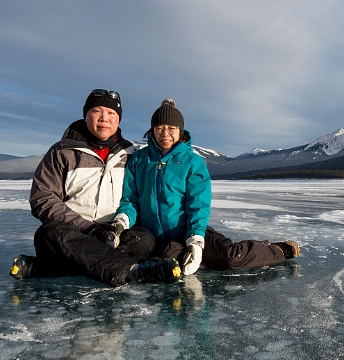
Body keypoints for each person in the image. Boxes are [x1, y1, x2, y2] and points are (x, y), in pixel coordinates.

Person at [9, 89, 182, 286]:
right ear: (86, 115)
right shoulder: (62, 152)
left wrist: (117, 227)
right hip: (73, 232)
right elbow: (43, 199)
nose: (104, 119)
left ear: (118, 119)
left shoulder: (131, 154)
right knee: (49, 235)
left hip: (114, 233)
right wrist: (89, 228)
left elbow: (136, 197)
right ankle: (134, 271)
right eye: (97, 111)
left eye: (111, 113)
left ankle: (45, 268)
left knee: (144, 239)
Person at [107, 98, 300, 276]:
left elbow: (197, 206)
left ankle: (276, 249)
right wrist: (121, 222)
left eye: (171, 128)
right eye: (160, 128)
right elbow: (131, 199)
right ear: (152, 130)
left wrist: (195, 241)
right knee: (172, 260)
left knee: (230, 257)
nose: (165, 134)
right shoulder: (139, 160)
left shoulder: (193, 162)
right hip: (154, 237)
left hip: (188, 229)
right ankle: (199, 260)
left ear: (180, 131)